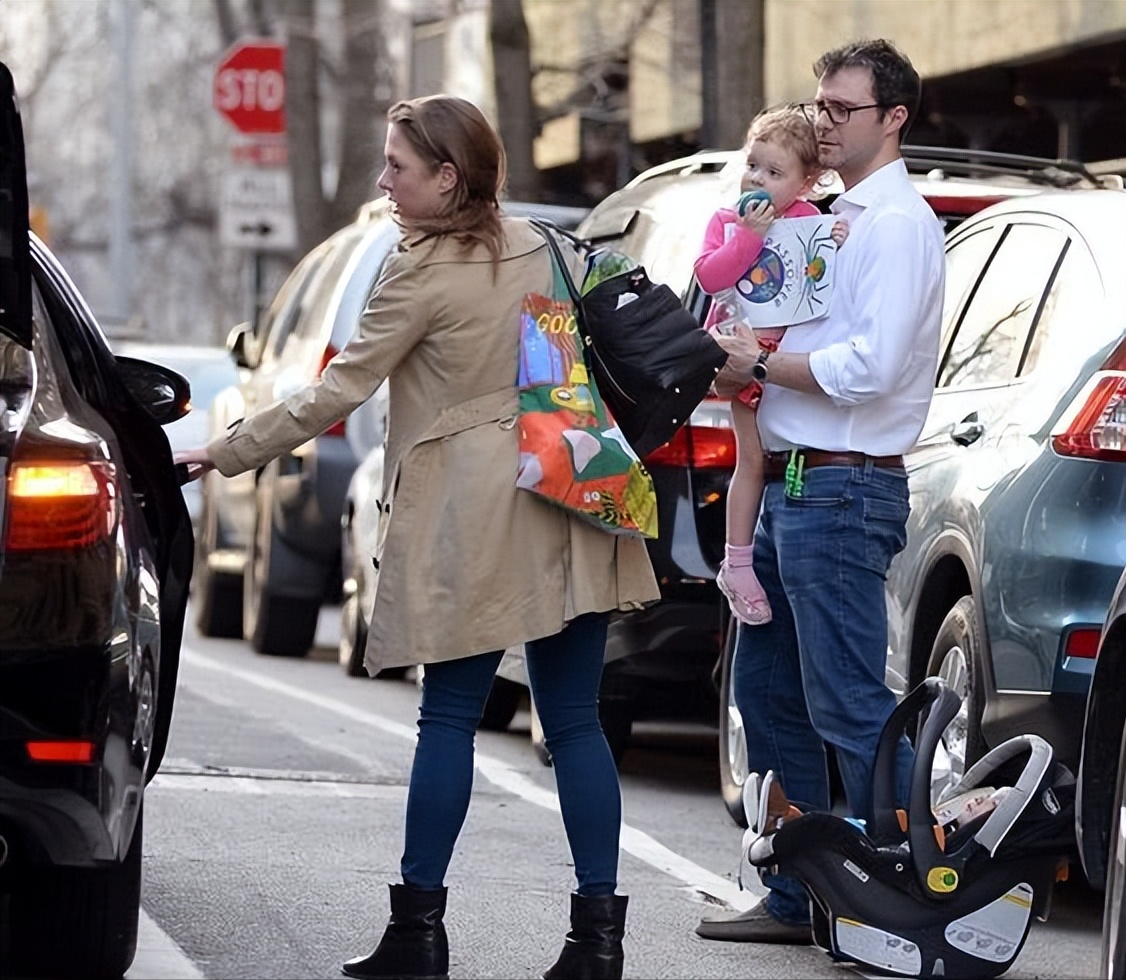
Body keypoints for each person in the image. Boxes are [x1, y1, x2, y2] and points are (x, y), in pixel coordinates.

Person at [175, 94, 660, 980]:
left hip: (478, 513)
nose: (383, 181)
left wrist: (224, 450)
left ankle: (418, 934)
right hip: (574, 484)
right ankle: (596, 944)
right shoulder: (544, 247)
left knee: (448, 718)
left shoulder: (421, 270)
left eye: (398, 166)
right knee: (579, 724)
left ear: (449, 176)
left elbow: (338, 391)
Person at [696, 38, 946, 944]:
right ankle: (801, 893)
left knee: (846, 699)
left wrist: (758, 360)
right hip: (793, 485)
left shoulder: (896, 223)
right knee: (768, 699)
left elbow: (871, 367)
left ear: (893, 118)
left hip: (843, 489)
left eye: (841, 110)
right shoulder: (826, 218)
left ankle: (921, 887)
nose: (821, 122)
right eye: (818, 103)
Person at [694, 104, 847, 627]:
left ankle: (755, 559)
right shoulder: (726, 221)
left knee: (772, 457)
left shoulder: (811, 222)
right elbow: (712, 278)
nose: (757, 178)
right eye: (753, 165)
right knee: (750, 461)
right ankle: (737, 563)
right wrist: (747, 236)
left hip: (785, 361)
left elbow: (823, 281)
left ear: (809, 182)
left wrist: (838, 242)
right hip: (740, 353)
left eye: (774, 173)